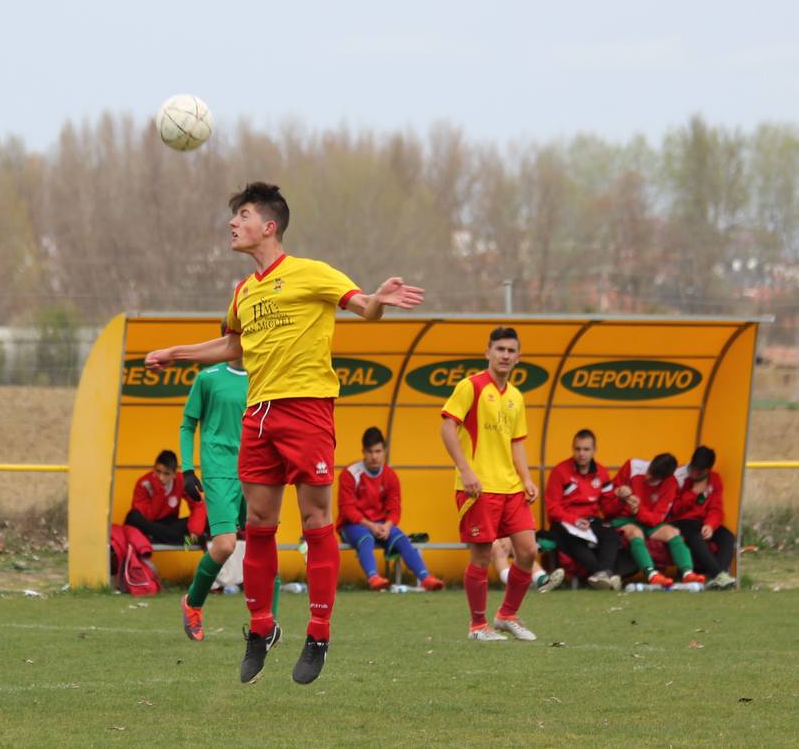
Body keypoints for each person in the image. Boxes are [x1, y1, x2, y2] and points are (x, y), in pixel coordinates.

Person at [145, 181, 424, 685]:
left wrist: (379, 299)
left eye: (243, 214)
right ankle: (261, 628)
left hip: (307, 410)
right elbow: (233, 348)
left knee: (317, 519)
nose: (233, 223)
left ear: (268, 226)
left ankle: (318, 631)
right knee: (258, 523)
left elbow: (363, 307)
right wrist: (175, 353)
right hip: (259, 414)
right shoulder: (243, 291)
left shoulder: (311, 273)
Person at [177, 325, 281, 642]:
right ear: (226, 338)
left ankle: (267, 625)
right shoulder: (208, 379)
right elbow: (187, 424)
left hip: (256, 468)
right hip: (219, 468)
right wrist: (187, 469)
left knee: (265, 543)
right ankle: (193, 604)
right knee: (224, 544)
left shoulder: (265, 377)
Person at [440, 326, 541, 643]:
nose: (505, 355)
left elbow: (517, 443)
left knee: (528, 551)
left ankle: (507, 615)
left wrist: (526, 479)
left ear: (518, 357)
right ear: (488, 352)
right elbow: (447, 427)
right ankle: (477, 626)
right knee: (481, 557)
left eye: (511, 351)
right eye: (500, 349)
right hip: (479, 487)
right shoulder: (470, 387)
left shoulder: (516, 396)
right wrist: (466, 471)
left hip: (511, 489)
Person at [336, 427, 444, 592]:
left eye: (378, 451)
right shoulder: (350, 474)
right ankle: (373, 578)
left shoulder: (390, 476)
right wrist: (371, 526)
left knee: (401, 538)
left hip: (381, 525)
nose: (374, 456)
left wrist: (387, 526)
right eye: (370, 451)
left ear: (384, 451)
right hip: (353, 525)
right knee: (366, 538)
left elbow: (395, 508)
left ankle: (425, 578)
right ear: (363, 451)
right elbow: (347, 509)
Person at [604, 453, 707, 587]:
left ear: (664, 478)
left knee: (673, 532)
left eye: (653, 478)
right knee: (635, 532)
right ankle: (652, 575)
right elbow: (608, 503)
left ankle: (688, 574)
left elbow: (656, 519)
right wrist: (619, 494)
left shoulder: (671, 484)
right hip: (623, 519)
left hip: (646, 520)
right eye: (649, 471)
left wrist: (638, 510)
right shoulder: (632, 466)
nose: (648, 477)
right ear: (651, 462)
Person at [544, 428, 622, 590]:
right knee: (574, 540)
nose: (581, 454)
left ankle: (603, 574)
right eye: (577, 449)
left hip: (590, 522)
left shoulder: (601, 472)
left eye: (586, 449)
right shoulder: (560, 471)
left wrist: (621, 498)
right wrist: (574, 521)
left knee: (612, 534)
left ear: (594, 450)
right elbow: (552, 509)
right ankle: (604, 574)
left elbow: (609, 509)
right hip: (564, 523)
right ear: (573, 448)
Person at [669, 446, 737, 589]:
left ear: (708, 470)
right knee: (695, 535)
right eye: (693, 468)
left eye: (700, 471)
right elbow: (672, 509)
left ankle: (718, 576)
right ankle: (719, 574)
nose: (694, 473)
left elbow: (716, 508)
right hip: (679, 521)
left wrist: (710, 525)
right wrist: (693, 493)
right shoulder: (677, 476)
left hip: (702, 522)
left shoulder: (715, 479)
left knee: (728, 537)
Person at [125, 450, 207, 545]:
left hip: (168, 524)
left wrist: (195, 529)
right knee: (132, 517)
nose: (161, 477)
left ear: (174, 474)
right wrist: (159, 491)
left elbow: (198, 503)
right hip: (148, 523)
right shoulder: (144, 483)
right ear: (154, 468)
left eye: (166, 474)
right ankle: (185, 541)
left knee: (206, 520)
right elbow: (148, 516)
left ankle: (157, 537)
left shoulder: (181, 480)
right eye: (158, 471)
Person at [490, 537, 564, 593]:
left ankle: (542, 580)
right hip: (483, 535)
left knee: (519, 546)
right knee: (498, 548)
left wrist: (506, 537)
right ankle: (513, 582)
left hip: (499, 535)